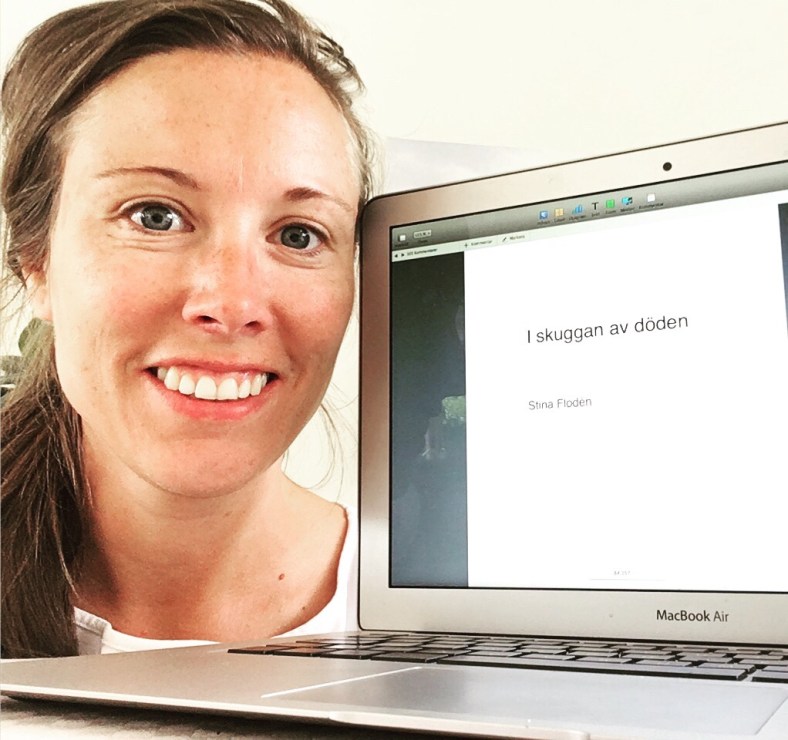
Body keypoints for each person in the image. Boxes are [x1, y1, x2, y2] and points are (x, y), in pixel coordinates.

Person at [0, 0, 375, 659]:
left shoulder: (479, 624)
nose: (232, 303)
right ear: (37, 262)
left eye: (298, 235)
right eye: (153, 216)